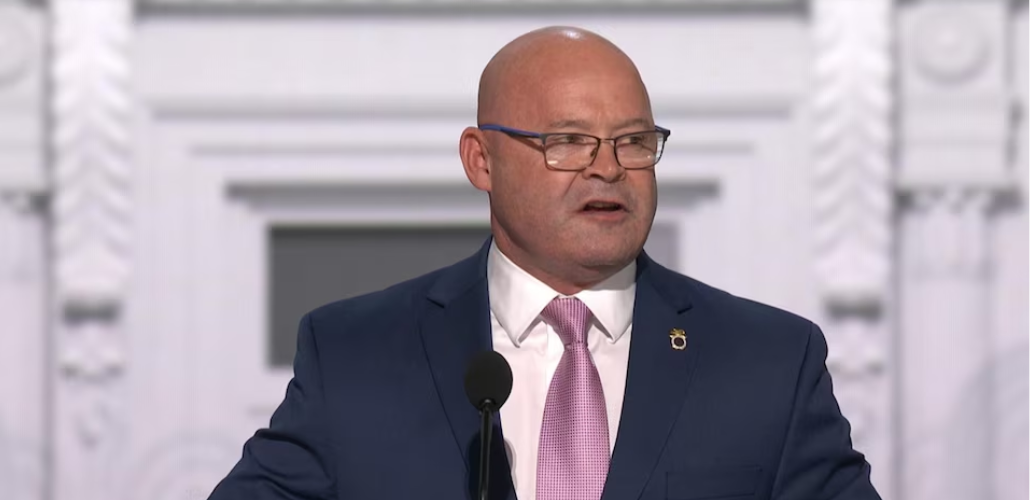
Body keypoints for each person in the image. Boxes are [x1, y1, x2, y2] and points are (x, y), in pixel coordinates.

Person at [208, 26, 881, 500]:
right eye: (567, 142)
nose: (610, 168)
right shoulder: (357, 353)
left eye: (634, 141)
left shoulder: (768, 362)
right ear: (481, 160)